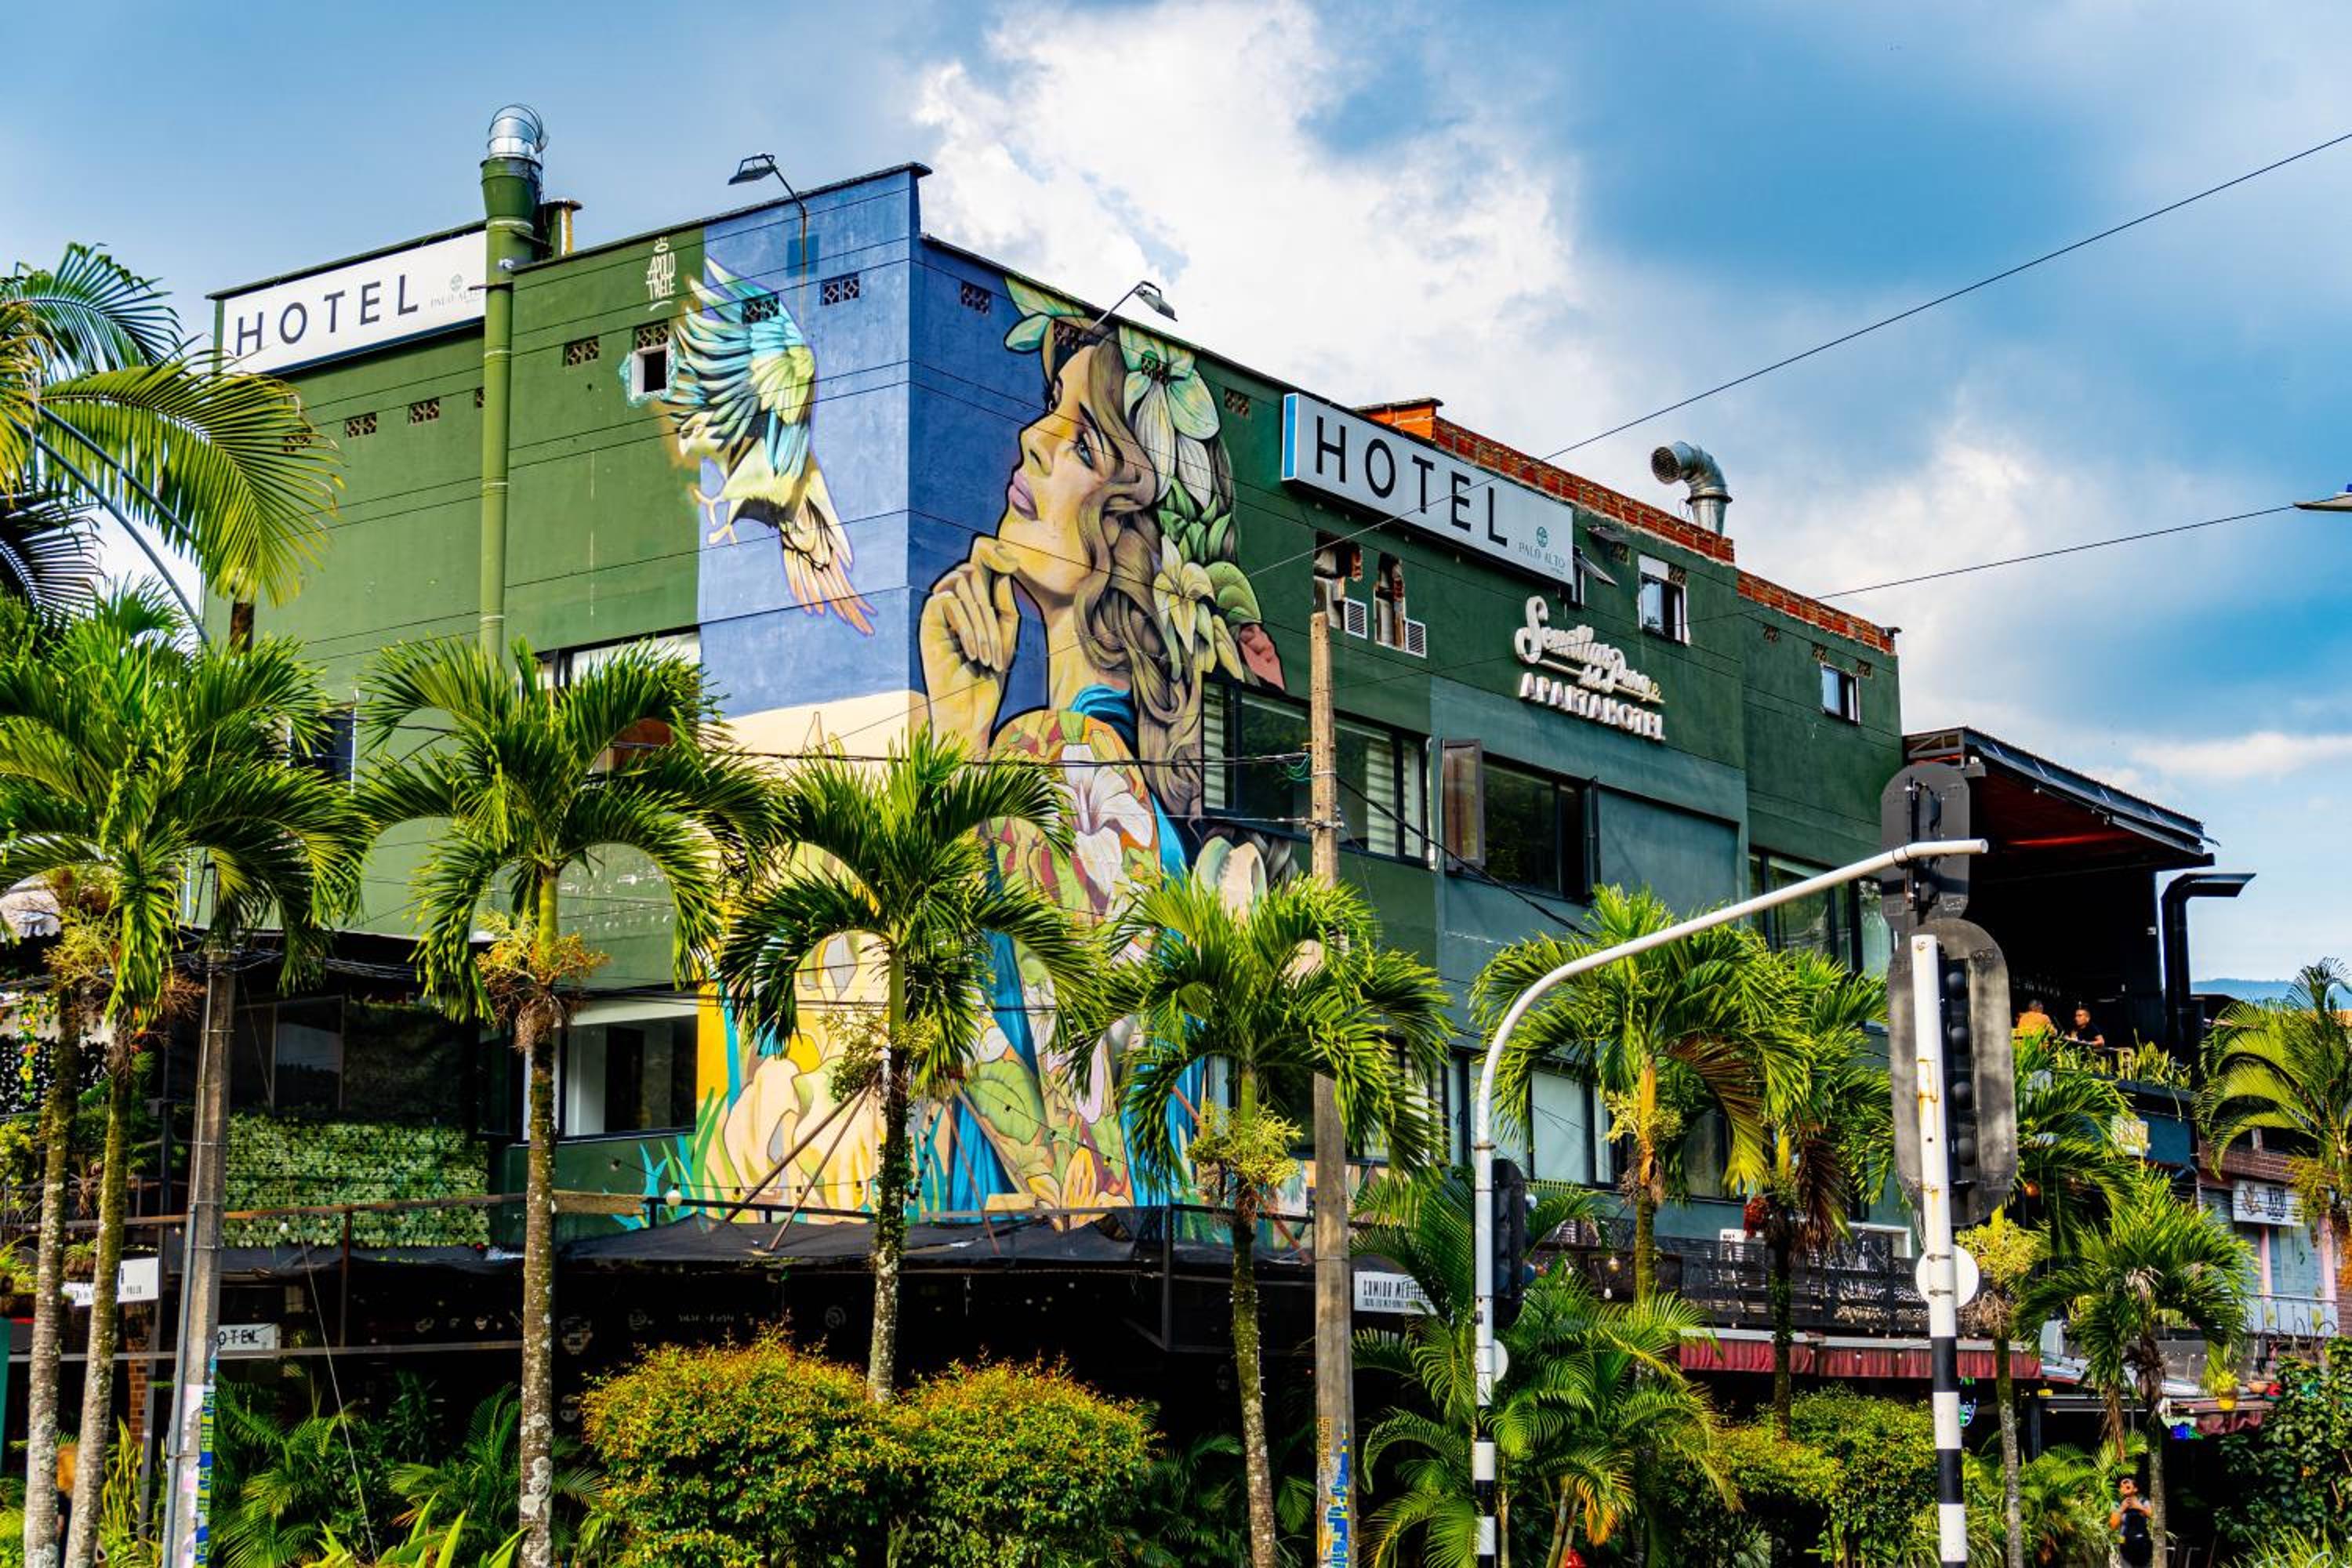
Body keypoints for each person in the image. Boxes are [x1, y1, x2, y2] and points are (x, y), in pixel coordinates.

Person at [2110, 1475, 2154, 1566]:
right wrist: (2122, 1509)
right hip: (2123, 1542)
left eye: (2128, 1486)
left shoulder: (2143, 1501)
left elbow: (2154, 1517)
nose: (2124, 1488)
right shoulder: (2117, 1503)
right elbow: (2113, 1526)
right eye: (2122, 1487)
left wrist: (2140, 1507)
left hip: (2143, 1542)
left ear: (2135, 1489)